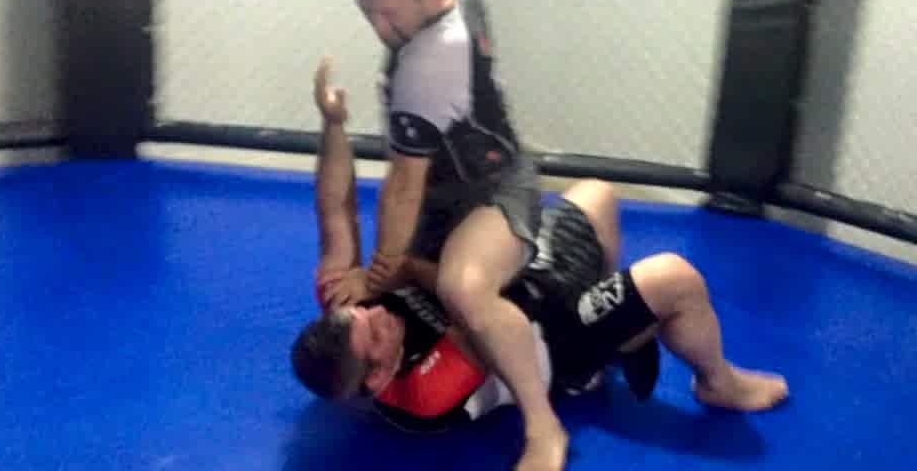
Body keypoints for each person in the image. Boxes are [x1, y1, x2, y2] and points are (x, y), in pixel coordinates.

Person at [298, 58, 789, 454]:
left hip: (528, 281)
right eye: (375, 333)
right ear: (378, 377)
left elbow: (335, 213)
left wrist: (333, 124)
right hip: (548, 338)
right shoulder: (423, 393)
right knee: (676, 279)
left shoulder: (353, 313)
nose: (377, 312)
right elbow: (472, 306)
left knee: (597, 195)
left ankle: (615, 335)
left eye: (362, 314)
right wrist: (406, 269)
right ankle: (715, 381)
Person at [328, 0, 566, 470]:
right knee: (386, 297)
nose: (381, 30)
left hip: (492, 191)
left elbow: (402, 188)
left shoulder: (429, 65)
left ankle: (543, 428)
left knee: (462, 287)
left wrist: (379, 273)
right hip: (445, 187)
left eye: (389, 13)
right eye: (368, 14)